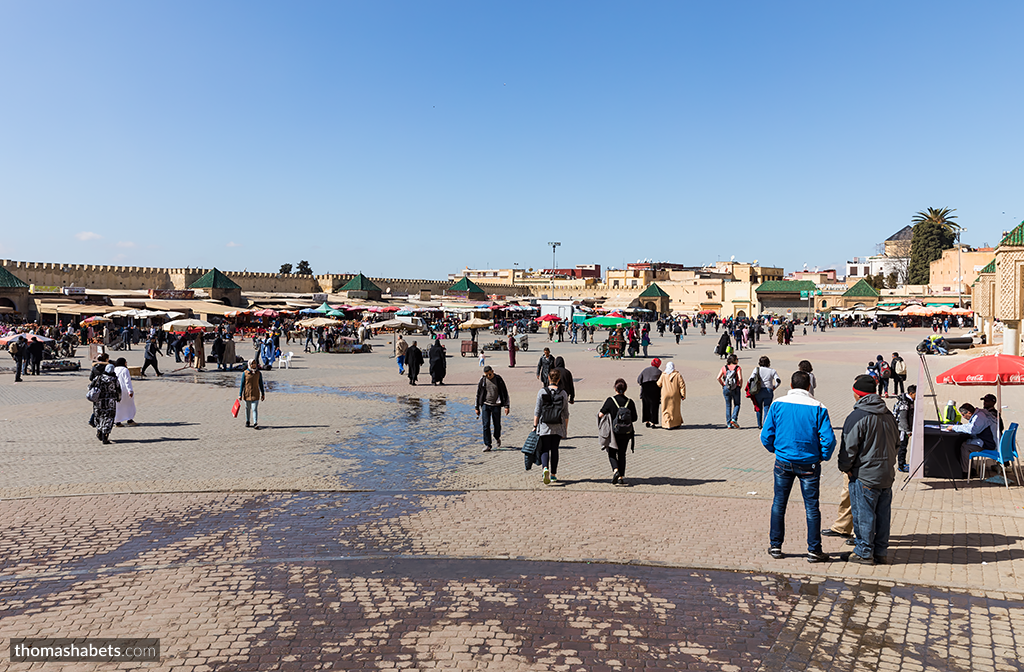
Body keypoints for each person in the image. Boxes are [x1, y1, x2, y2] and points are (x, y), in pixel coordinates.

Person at [761, 370, 836, 563]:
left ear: (791, 385)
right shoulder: (818, 407)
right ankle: (814, 549)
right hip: (809, 464)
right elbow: (829, 440)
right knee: (811, 507)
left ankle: (776, 546)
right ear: (809, 386)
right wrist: (822, 457)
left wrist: (775, 450)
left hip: (783, 462)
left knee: (779, 503)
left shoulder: (777, 404)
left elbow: (766, 435)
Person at [838, 375, 899, 565]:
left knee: (864, 515)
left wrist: (846, 468)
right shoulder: (888, 414)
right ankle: (880, 551)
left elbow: (848, 447)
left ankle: (864, 551)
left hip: (864, 474)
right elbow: (898, 443)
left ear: (857, 395)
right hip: (886, 473)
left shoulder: (857, 416)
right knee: (882, 515)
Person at [598, 378, 637, 485]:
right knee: (622, 454)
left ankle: (616, 470)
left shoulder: (610, 400)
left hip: (613, 432)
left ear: (615, 388)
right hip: (626, 433)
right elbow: (634, 418)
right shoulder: (630, 402)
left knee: (612, 453)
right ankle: (620, 477)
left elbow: (601, 414)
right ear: (625, 389)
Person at [534, 369, 570, 484]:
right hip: (558, 425)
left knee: (545, 448)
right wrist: (565, 428)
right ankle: (554, 475)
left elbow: (537, 411)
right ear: (559, 379)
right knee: (554, 449)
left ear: (548, 378)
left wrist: (535, 425)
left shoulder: (542, 392)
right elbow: (565, 413)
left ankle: (545, 468)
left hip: (545, 424)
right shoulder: (563, 393)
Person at [944, 402, 997, 475]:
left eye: (963, 415)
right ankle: (970, 468)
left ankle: (966, 471)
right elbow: (971, 426)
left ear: (969, 413)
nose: (963, 417)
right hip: (988, 440)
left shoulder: (980, 417)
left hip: (989, 443)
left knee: (965, 447)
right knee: (967, 442)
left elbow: (972, 430)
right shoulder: (980, 414)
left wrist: (954, 428)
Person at [475, 365, 510, 452]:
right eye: (486, 375)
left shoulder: (498, 379)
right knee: (486, 425)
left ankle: (497, 437)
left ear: (492, 371)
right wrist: (477, 407)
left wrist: (506, 406)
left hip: (496, 405)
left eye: (489, 374)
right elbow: (478, 394)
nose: (488, 376)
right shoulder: (483, 380)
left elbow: (505, 393)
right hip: (486, 405)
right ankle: (488, 444)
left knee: (497, 425)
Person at [90, 363, 121, 444]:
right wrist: (118, 399)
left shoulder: (99, 378)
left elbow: (90, 386)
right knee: (109, 418)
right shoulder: (114, 379)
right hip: (110, 403)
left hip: (99, 402)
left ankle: (99, 431)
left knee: (99, 416)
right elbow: (118, 390)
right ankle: (105, 436)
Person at [749, 356, 782, 430]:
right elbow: (778, 380)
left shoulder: (757, 369)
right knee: (767, 407)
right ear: (768, 363)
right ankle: (765, 424)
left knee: (758, 408)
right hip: (768, 390)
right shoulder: (772, 371)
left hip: (758, 390)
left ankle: (759, 424)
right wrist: (774, 387)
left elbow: (750, 379)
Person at [892, 385, 916, 473]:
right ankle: (901, 466)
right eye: (915, 394)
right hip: (902, 429)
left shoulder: (909, 401)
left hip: (904, 428)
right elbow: (903, 418)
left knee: (904, 447)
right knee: (902, 447)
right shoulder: (905, 403)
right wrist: (908, 430)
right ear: (911, 393)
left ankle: (903, 463)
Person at [238, 359, 266, 429]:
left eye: (254, 363)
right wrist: (240, 394)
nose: (253, 365)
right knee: (248, 408)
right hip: (247, 393)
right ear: (249, 364)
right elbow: (242, 384)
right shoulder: (245, 373)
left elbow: (261, 384)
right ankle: (247, 421)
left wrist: (263, 393)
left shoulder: (258, 373)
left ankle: (255, 423)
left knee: (254, 408)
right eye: (252, 364)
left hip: (255, 393)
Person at [657, 361, 685, 429]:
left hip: (665, 394)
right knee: (675, 409)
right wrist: (683, 394)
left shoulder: (663, 374)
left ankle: (667, 424)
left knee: (665, 409)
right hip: (675, 394)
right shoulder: (677, 375)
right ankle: (675, 423)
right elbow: (682, 385)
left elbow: (658, 383)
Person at [717, 354, 742, 428]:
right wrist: (740, 385)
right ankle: (734, 418)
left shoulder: (724, 367)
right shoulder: (738, 368)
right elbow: (740, 378)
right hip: (735, 388)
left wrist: (723, 384)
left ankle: (728, 424)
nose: (738, 360)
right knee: (737, 404)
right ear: (734, 360)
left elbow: (718, 378)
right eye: (737, 359)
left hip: (726, 388)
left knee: (728, 405)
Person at [636, 358, 662, 428]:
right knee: (654, 407)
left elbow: (639, 380)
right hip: (655, 391)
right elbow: (661, 382)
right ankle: (653, 423)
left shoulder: (645, 370)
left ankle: (647, 421)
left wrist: (643, 384)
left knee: (646, 406)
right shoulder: (659, 372)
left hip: (645, 390)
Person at [112, 357, 137, 427]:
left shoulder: (114, 369)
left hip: (116, 390)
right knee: (129, 405)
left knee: (118, 406)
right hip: (124, 390)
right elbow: (127, 381)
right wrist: (130, 391)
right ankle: (130, 419)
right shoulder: (125, 370)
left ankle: (117, 421)